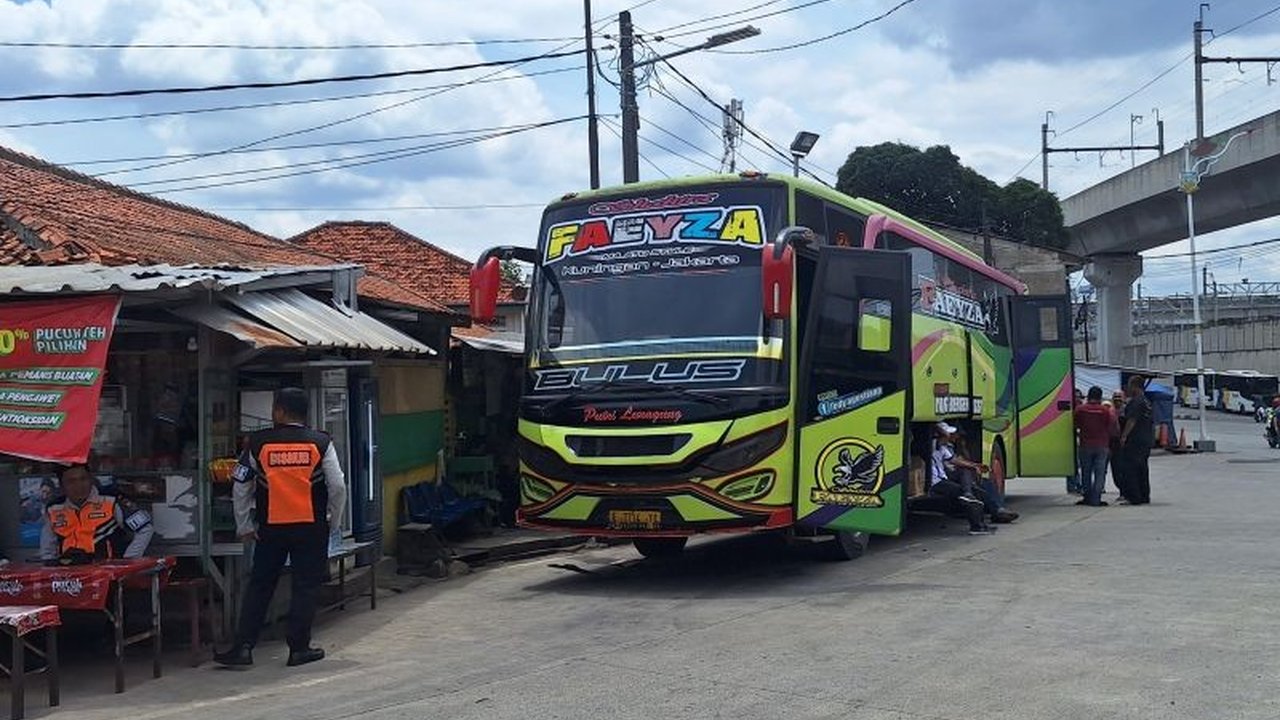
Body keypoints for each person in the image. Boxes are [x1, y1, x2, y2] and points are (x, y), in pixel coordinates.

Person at [215, 387, 347, 669]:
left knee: (260, 585)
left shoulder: (257, 443)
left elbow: (241, 486)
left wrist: (244, 525)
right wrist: (333, 522)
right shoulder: (321, 442)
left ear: (280, 411)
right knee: (305, 586)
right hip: (310, 528)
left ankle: (243, 647)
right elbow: (337, 486)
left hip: (270, 529)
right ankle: (298, 648)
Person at [40, 463, 153, 565]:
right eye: (72, 482)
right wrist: (51, 567)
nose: (79, 485)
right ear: (62, 486)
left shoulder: (111, 499)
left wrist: (128, 561)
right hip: (69, 573)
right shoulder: (53, 508)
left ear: (91, 479)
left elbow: (145, 528)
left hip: (107, 572)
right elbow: (48, 549)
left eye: (83, 479)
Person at [928, 423, 992, 535]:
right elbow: (940, 434)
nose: (952, 436)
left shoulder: (942, 448)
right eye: (949, 434)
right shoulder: (931, 446)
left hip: (943, 479)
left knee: (973, 488)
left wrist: (975, 466)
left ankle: (968, 495)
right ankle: (977, 527)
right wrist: (942, 432)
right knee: (969, 497)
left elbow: (955, 460)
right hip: (935, 483)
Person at [951, 430, 1018, 523]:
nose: (957, 438)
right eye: (955, 435)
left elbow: (960, 460)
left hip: (958, 473)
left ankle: (998, 509)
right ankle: (996, 510)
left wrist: (975, 465)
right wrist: (974, 466)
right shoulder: (941, 447)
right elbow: (954, 461)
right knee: (973, 480)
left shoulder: (950, 447)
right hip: (948, 475)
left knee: (985, 482)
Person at [1074, 386, 1117, 507]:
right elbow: (1112, 426)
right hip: (1102, 445)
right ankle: (1096, 499)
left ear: (1089, 395)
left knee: (1085, 472)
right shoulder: (1105, 410)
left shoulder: (1080, 409)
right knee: (1100, 473)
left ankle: (1087, 497)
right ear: (1100, 396)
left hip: (1085, 445)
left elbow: (1075, 424)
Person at [1118, 376, 1154, 505]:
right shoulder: (1146, 401)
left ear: (1135, 386)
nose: (1128, 388)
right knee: (1142, 469)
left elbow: (1132, 420)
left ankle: (1134, 497)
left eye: (1129, 385)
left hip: (1135, 440)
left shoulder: (1136, 402)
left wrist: (1124, 436)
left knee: (1130, 469)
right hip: (1146, 439)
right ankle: (1144, 495)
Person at [1108, 391, 1127, 494]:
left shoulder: (1127, 411)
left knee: (1123, 469)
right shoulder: (1109, 411)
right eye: (1115, 396)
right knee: (1115, 468)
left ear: (1124, 398)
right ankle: (1121, 489)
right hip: (1113, 443)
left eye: (1119, 397)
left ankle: (1124, 491)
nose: (1117, 399)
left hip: (1125, 443)